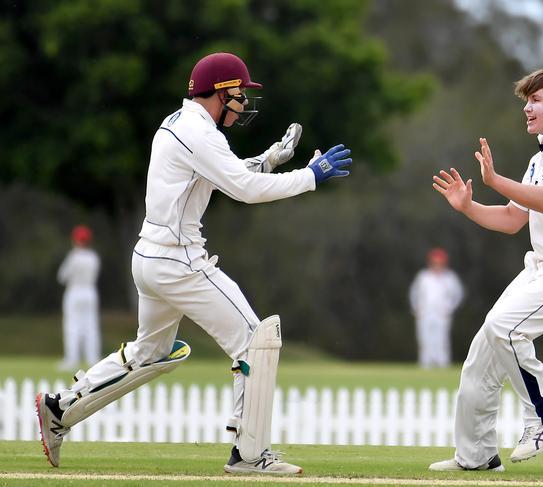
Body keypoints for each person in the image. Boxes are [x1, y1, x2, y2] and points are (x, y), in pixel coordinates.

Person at [36, 52, 352, 474]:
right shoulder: (198, 132)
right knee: (254, 340)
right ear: (219, 93)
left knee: (149, 353)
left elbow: (223, 175)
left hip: (150, 258)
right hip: (179, 261)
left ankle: (60, 408)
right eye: (239, 94)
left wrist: (270, 159)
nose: (242, 104)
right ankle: (251, 455)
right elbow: (243, 189)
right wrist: (311, 176)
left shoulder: (182, 124)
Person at [429, 66, 543, 472]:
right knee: (483, 351)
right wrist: (468, 206)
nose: (527, 108)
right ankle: (476, 457)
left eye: (536, 100)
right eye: (526, 101)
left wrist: (495, 180)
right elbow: (513, 219)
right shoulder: (542, 155)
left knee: (505, 328)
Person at [409, 247, 463, 368]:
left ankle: (443, 363)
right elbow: (414, 293)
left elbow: (457, 295)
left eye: (440, 263)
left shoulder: (450, 278)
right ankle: (425, 364)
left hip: (441, 314)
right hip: (425, 312)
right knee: (424, 338)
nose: (437, 266)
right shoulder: (423, 277)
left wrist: (450, 308)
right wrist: (416, 308)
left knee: (441, 339)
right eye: (435, 263)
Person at [57, 225, 101, 370]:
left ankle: (72, 359)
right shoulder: (93, 257)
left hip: (75, 291)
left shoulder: (73, 257)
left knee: (72, 326)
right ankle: (92, 359)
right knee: (91, 326)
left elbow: (62, 277)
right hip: (90, 292)